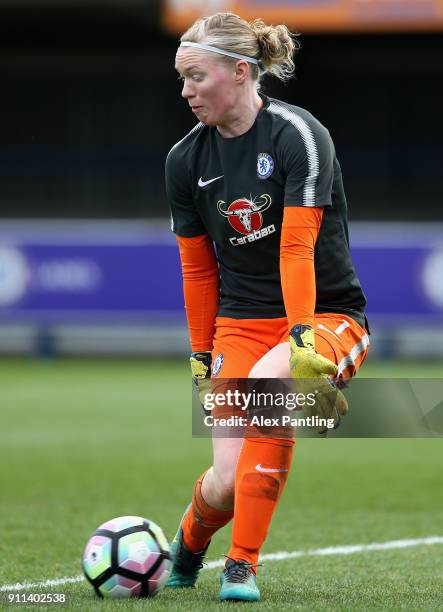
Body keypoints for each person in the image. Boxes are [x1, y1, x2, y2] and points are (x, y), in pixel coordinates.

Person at [164, 12, 369, 602]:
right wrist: (202, 353)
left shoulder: (298, 134)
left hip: (327, 316)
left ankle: (241, 566)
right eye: (182, 79)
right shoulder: (184, 160)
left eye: (196, 77)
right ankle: (188, 544)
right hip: (241, 323)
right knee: (226, 481)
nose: (186, 91)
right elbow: (199, 269)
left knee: (270, 381)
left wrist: (302, 337)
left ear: (240, 71)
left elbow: (297, 246)